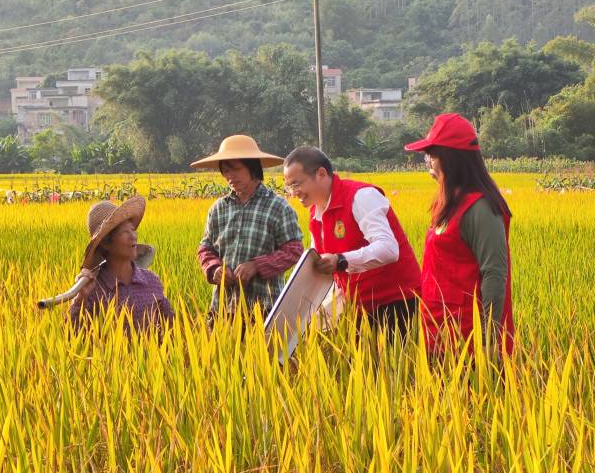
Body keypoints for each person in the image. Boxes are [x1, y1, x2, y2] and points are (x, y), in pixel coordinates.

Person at [283, 146, 421, 341]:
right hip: (358, 306)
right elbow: (320, 262)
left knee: (391, 368)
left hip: (397, 304)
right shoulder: (316, 212)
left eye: (296, 184)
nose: (293, 192)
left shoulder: (360, 196)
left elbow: (389, 249)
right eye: (289, 187)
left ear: (321, 174)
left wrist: (341, 260)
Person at [404, 113, 514, 354]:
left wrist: (489, 340)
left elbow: (494, 274)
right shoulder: (448, 201)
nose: (428, 161)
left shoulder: (481, 208)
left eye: (432, 154)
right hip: (439, 331)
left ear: (451, 158)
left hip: (468, 339)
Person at [192, 135, 303, 318]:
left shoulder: (278, 207)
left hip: (264, 309)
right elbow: (205, 248)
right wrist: (214, 268)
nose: (230, 176)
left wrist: (257, 266)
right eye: (226, 171)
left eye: (236, 169)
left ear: (252, 167)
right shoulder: (218, 209)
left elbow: (294, 250)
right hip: (223, 308)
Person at [70, 196, 173, 334]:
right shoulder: (93, 290)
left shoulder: (151, 281)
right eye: (125, 232)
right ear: (106, 244)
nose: (133, 236)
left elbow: (171, 328)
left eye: (132, 230)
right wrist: (80, 298)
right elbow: (72, 335)